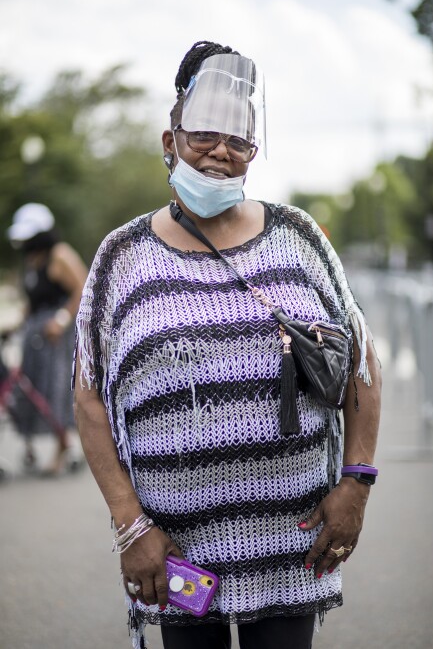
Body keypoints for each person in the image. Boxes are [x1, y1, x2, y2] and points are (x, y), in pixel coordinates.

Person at [73, 41, 381, 649]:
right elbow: (88, 399)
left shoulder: (298, 237)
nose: (220, 151)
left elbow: (361, 363)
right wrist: (131, 526)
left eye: (237, 141)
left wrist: (357, 483)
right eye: (203, 136)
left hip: (295, 539)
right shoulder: (121, 256)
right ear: (171, 142)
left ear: (254, 154)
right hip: (179, 552)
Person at [6, 202, 87, 475]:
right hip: (34, 337)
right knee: (30, 390)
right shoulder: (32, 260)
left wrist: (61, 320)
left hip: (57, 337)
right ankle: (31, 445)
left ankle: (63, 448)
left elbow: (83, 288)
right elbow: (33, 302)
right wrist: (15, 326)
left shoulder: (59, 255)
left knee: (55, 389)